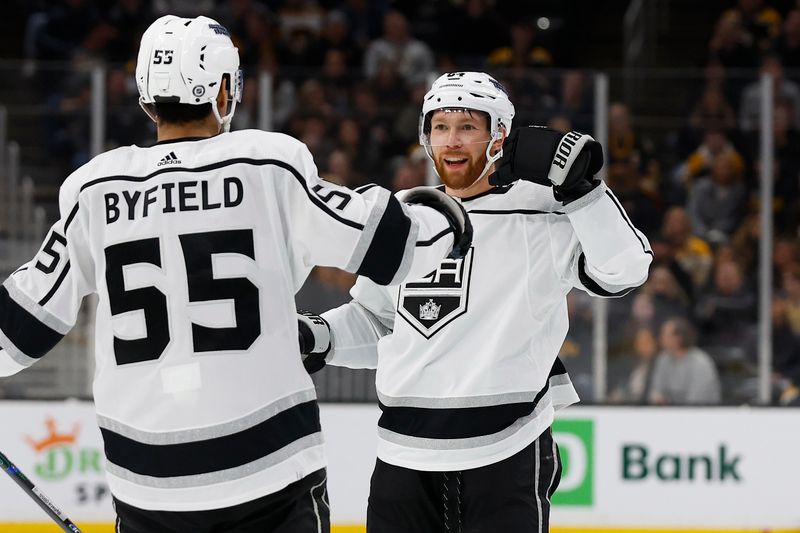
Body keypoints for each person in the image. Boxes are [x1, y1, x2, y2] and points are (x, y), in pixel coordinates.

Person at [0, 16, 473, 533]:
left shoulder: (93, 190)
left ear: (144, 90)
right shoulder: (268, 164)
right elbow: (396, 246)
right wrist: (443, 218)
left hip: (147, 487)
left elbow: (14, 333)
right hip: (268, 473)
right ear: (223, 88)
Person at [298, 72, 653, 532]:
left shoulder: (545, 208)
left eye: (467, 126)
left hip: (506, 452)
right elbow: (378, 322)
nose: (452, 141)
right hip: (402, 455)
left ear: (499, 133)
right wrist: (320, 336)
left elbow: (624, 271)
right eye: (440, 127)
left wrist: (584, 193)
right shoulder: (408, 213)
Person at [649, 317, 722, 405]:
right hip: (669, 413)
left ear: (678, 338)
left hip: (701, 415)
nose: (661, 337)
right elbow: (656, 390)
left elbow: (696, 400)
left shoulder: (701, 363)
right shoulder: (663, 359)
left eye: (665, 334)